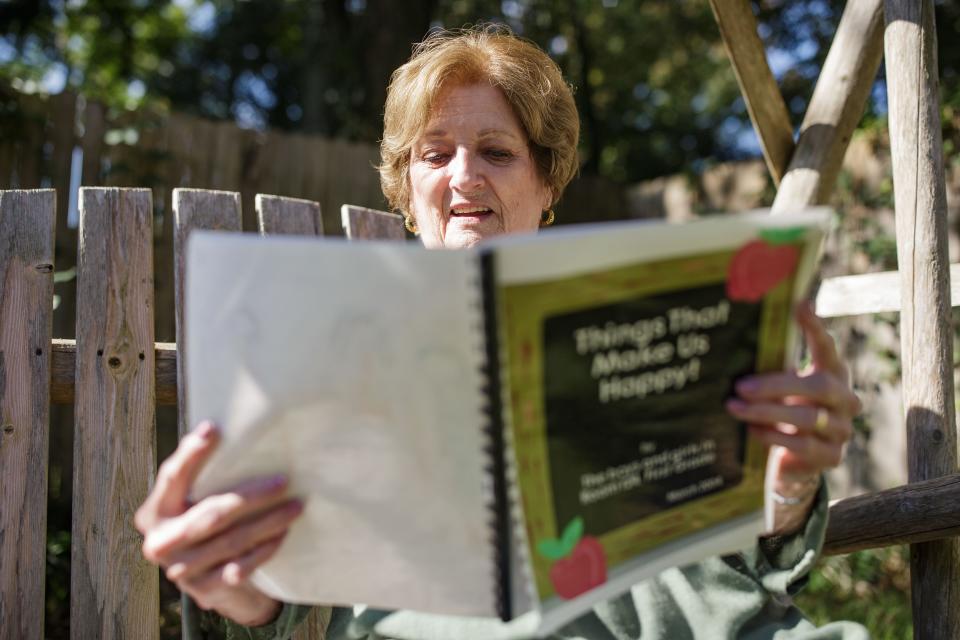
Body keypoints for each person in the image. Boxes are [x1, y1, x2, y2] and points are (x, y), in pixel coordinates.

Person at [135, 25, 868, 640]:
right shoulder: (334, 356)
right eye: (435, 152)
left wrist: (786, 494)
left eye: (496, 151)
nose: (463, 178)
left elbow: (752, 561)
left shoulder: (656, 328)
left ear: (545, 183)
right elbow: (278, 600)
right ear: (406, 188)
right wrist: (238, 590)